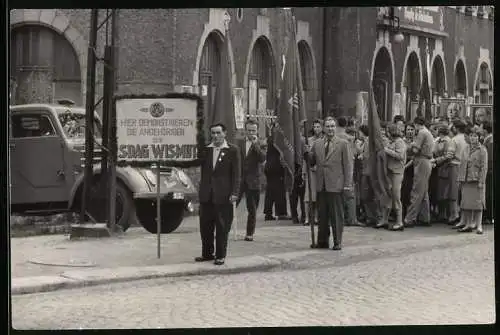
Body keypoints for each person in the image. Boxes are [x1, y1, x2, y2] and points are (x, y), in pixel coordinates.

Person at [172, 123, 241, 265]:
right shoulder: (206, 150)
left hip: (223, 195)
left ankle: (220, 255)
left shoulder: (232, 150)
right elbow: (192, 161)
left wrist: (235, 192)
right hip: (206, 195)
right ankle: (207, 254)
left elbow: (237, 174)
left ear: (224, 133)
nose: (215, 136)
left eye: (218, 133)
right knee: (205, 226)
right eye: (213, 133)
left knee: (222, 227)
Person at [307, 117, 353, 250]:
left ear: (336, 128)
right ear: (323, 128)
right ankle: (322, 241)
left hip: (336, 185)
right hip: (322, 184)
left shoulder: (343, 144)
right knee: (322, 215)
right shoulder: (317, 144)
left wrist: (347, 184)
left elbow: (348, 166)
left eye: (333, 126)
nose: (330, 129)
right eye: (328, 126)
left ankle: (337, 241)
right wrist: (307, 153)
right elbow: (312, 162)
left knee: (336, 216)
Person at [236, 119, 266, 241]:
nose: (251, 133)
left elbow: (262, 158)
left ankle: (249, 233)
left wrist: (255, 145)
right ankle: (224, 230)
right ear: (245, 130)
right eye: (249, 130)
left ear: (257, 130)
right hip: (240, 180)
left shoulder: (262, 143)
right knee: (231, 205)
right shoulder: (239, 143)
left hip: (254, 181)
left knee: (252, 209)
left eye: (253, 130)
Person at [404, 116, 434, 228]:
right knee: (423, 191)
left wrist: (409, 146)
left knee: (416, 191)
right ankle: (425, 217)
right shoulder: (428, 132)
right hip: (427, 162)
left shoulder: (421, 133)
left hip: (421, 161)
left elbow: (416, 149)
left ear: (417, 124)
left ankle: (409, 218)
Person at [457, 128, 488, 234]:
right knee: (467, 203)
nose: (473, 138)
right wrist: (460, 179)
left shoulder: (482, 150)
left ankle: (479, 225)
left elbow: (484, 167)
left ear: (479, 137)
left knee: (478, 204)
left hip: (476, 180)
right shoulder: (465, 148)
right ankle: (468, 224)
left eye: (475, 136)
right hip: (466, 179)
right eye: (471, 136)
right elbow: (462, 164)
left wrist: (481, 181)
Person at [336, 116, 363, 227]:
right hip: (349, 167)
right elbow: (356, 153)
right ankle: (352, 219)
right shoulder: (351, 138)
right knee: (350, 194)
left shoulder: (334, 137)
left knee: (337, 194)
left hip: (336, 168)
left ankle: (339, 218)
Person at [382, 123, 407, 231]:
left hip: (397, 172)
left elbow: (400, 156)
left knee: (396, 196)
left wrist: (387, 150)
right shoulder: (391, 142)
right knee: (389, 196)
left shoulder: (400, 142)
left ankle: (399, 221)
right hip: (390, 171)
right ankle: (384, 220)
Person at [445, 120, 468, 228]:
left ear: (456, 128)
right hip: (465, 166)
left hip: (455, 165)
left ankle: (454, 215)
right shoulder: (467, 138)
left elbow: (450, 154)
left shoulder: (454, 139)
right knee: (463, 191)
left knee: (454, 191)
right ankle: (463, 215)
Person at [263, 130, 290, 221]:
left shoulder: (271, 138)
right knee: (279, 191)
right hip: (276, 167)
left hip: (269, 167)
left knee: (270, 191)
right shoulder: (278, 138)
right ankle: (281, 212)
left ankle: (268, 213)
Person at [358, 124, 381, 227]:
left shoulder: (367, 142)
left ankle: (372, 217)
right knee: (368, 196)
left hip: (368, 172)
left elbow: (366, 156)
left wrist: (361, 156)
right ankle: (371, 216)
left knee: (368, 196)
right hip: (367, 171)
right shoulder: (366, 142)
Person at [304, 119, 324, 226]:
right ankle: (307, 218)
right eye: (315, 127)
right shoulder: (309, 140)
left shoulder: (324, 140)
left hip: (320, 171)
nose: (316, 129)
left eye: (318, 127)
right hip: (310, 171)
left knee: (318, 195)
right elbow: (305, 157)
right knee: (308, 196)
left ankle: (316, 217)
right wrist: (304, 171)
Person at [430, 126, 452, 223]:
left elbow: (448, 156)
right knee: (436, 190)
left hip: (444, 168)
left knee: (443, 192)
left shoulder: (447, 141)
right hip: (435, 168)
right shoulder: (437, 140)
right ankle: (437, 212)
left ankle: (443, 214)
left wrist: (436, 160)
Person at [401, 123, 415, 220]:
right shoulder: (402, 141)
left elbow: (414, 158)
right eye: (408, 129)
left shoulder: (417, 141)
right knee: (403, 191)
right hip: (403, 167)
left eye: (411, 129)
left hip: (412, 168)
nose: (410, 131)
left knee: (412, 191)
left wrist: (406, 166)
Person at [481, 121, 493, 225]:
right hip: (489, 170)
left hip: (489, 171)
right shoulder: (488, 140)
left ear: (485, 129)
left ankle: (488, 216)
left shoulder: (490, 141)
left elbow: (489, 158)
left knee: (489, 194)